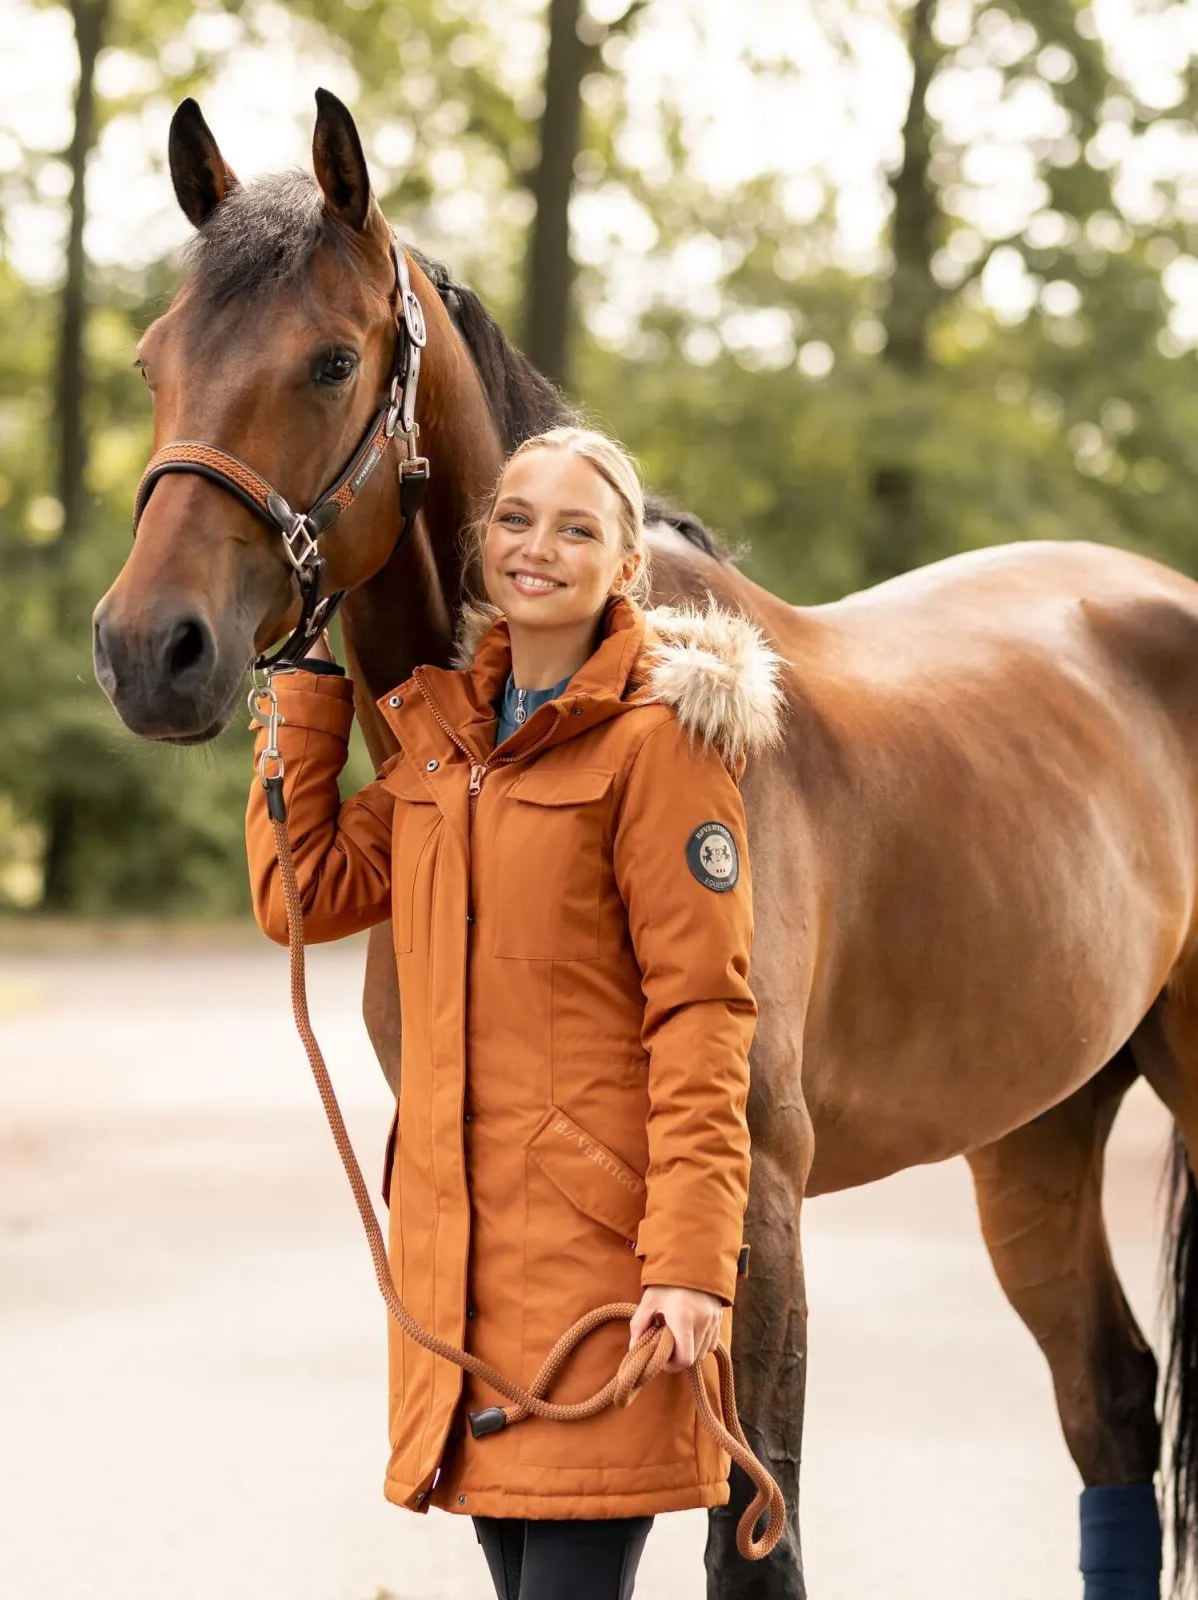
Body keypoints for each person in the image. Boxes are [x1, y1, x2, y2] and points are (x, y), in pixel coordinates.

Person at [245, 425, 783, 1600]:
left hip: (605, 1282)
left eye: (577, 526)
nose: (538, 545)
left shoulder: (663, 748)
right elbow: (303, 888)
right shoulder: (443, 743)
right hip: (467, 1272)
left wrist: (690, 1264)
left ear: (626, 568)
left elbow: (703, 1013)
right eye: (517, 518)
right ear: (483, 545)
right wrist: (299, 689)